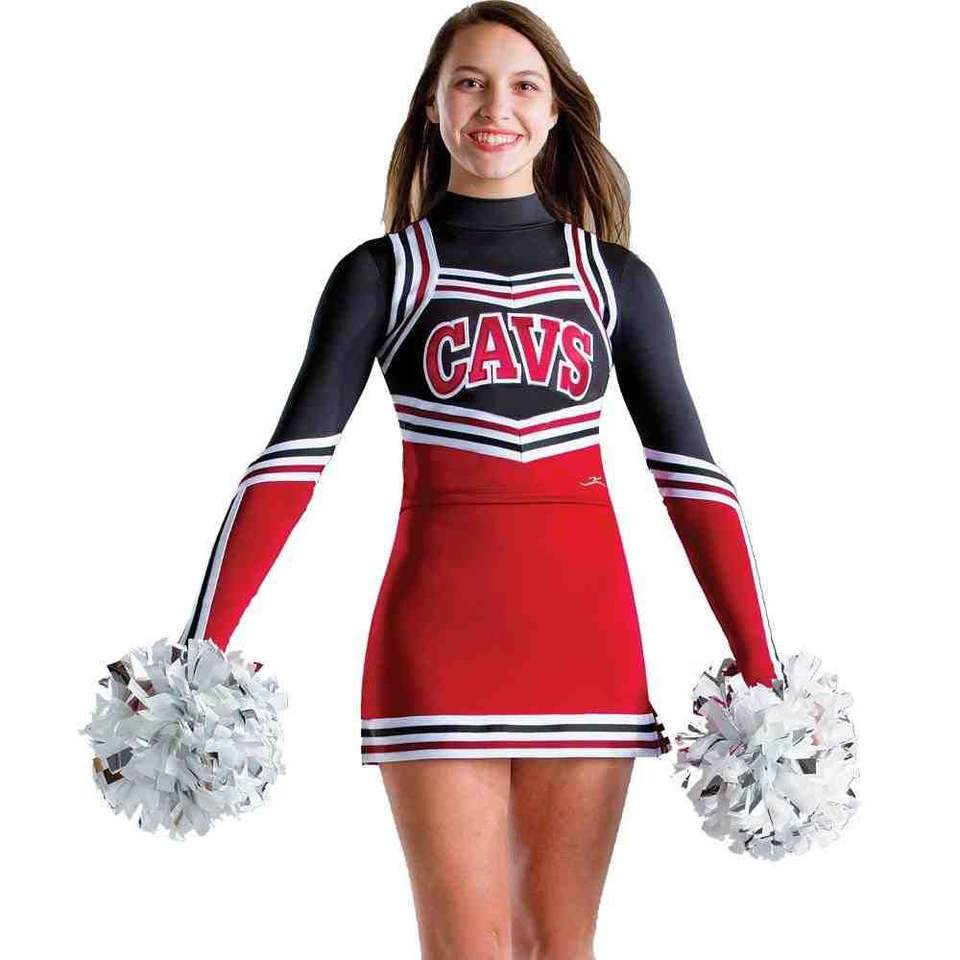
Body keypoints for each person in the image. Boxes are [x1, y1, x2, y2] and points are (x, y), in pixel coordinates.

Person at [177, 3, 784, 956]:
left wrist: (765, 666)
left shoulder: (614, 279)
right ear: (433, 105)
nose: (495, 107)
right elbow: (289, 465)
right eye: (469, 82)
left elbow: (692, 480)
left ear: (554, 111)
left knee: (561, 945)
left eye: (522, 85)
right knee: (466, 947)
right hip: (438, 642)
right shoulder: (383, 273)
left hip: (587, 640)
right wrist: (197, 652)